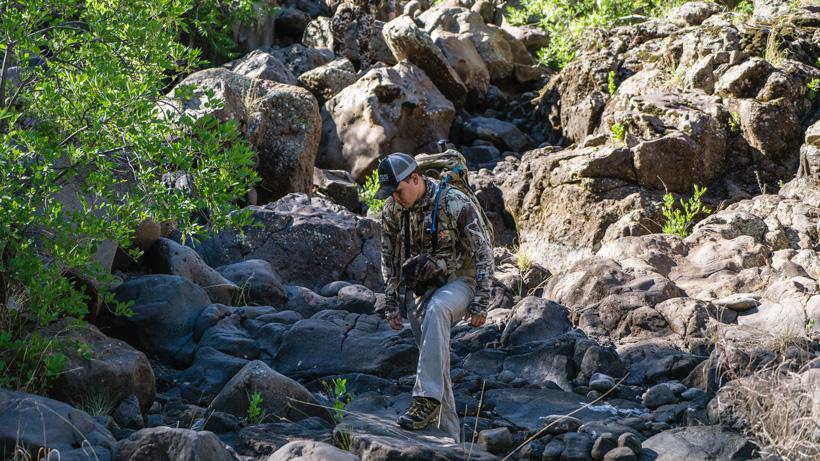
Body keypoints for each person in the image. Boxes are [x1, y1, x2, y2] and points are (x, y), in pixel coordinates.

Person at [375, 152, 495, 442]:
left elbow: (484, 253)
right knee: (434, 362)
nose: (395, 198)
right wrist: (391, 301)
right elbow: (388, 259)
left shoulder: (454, 202)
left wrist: (480, 302)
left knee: (438, 309)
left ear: (415, 179)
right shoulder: (392, 210)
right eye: (390, 193)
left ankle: (424, 399)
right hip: (422, 288)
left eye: (398, 191)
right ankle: (449, 439)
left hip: (461, 281)